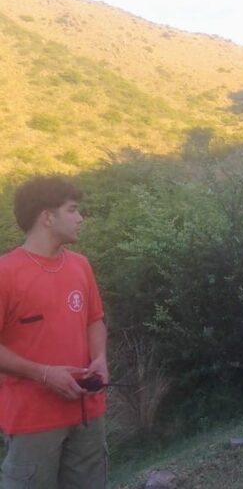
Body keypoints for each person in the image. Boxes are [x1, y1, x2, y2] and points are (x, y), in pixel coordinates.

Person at [0, 176, 108, 489]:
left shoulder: (81, 265)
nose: (80, 218)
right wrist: (45, 374)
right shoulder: (6, 274)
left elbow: (94, 319)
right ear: (47, 217)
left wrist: (100, 359)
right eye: (72, 210)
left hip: (88, 411)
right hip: (32, 421)